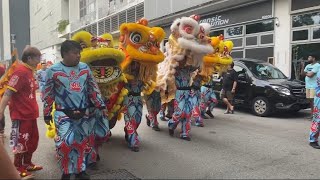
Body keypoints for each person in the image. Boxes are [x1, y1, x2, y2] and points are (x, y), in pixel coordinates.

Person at [43, 40, 106, 179]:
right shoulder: (52, 71)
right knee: (66, 143)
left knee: (82, 143)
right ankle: (66, 171)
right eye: (75, 53)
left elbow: (92, 88)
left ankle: (80, 170)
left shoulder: (84, 68)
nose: (79, 56)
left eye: (79, 53)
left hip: (84, 113)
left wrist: (100, 105)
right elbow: (48, 93)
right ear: (65, 54)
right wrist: (47, 113)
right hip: (63, 113)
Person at [0, 46, 42, 179]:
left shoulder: (30, 71)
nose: (39, 61)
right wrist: (0, 111)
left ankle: (27, 163)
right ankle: (18, 167)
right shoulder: (20, 71)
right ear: (29, 58)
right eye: (37, 58)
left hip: (31, 114)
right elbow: (8, 92)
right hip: (20, 115)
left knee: (32, 141)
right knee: (20, 142)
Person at [301, 54, 320, 119]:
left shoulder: (317, 65)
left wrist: (306, 73)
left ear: (313, 58)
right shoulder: (308, 65)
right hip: (308, 86)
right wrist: (303, 66)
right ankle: (312, 115)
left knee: (314, 101)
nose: (308, 58)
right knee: (310, 100)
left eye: (309, 57)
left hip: (314, 86)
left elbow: (310, 75)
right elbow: (302, 74)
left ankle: (315, 115)